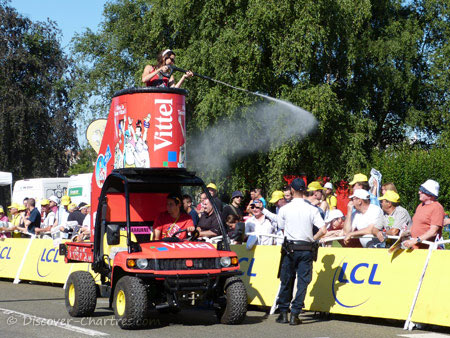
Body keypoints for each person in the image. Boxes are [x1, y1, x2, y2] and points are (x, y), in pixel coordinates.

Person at [275, 178, 326, 325]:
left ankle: (284, 312)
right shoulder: (312, 209)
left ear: (291, 190)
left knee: (286, 280)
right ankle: (295, 313)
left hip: (290, 247)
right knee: (303, 282)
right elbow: (323, 230)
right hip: (306, 248)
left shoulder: (284, 209)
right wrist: (312, 238)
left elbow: (282, 228)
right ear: (304, 190)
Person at [403, 180, 445, 249]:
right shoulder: (420, 205)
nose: (419, 192)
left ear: (430, 194)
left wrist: (416, 240)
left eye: (422, 191)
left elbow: (433, 231)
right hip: (415, 248)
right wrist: (407, 233)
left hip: (428, 250)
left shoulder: (437, 208)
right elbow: (417, 225)